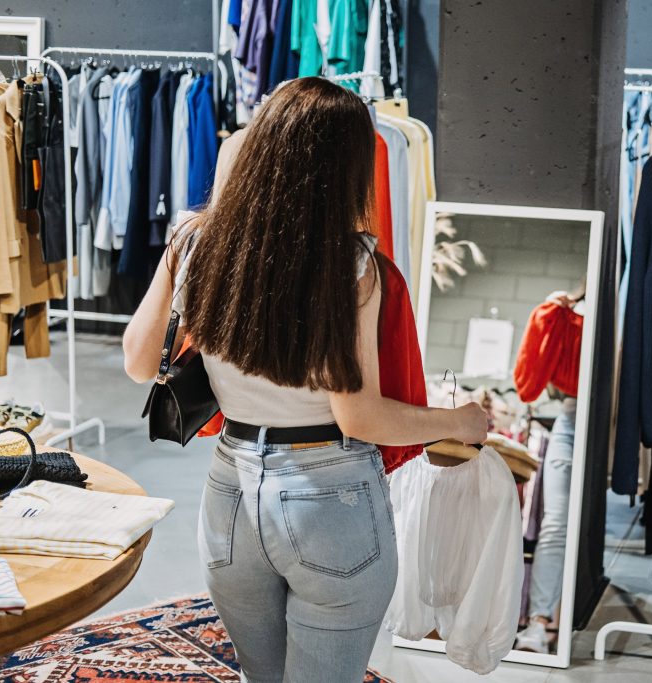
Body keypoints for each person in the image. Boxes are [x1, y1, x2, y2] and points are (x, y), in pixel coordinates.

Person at [123, 78, 487, 683]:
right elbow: (361, 417)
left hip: (229, 492)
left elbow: (140, 363)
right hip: (329, 496)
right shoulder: (353, 266)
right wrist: (461, 422)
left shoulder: (195, 240)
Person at [516, 290, 582, 654]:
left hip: (623, 422)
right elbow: (529, 383)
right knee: (556, 523)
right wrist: (553, 315)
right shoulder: (576, 313)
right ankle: (539, 622)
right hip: (573, 418)